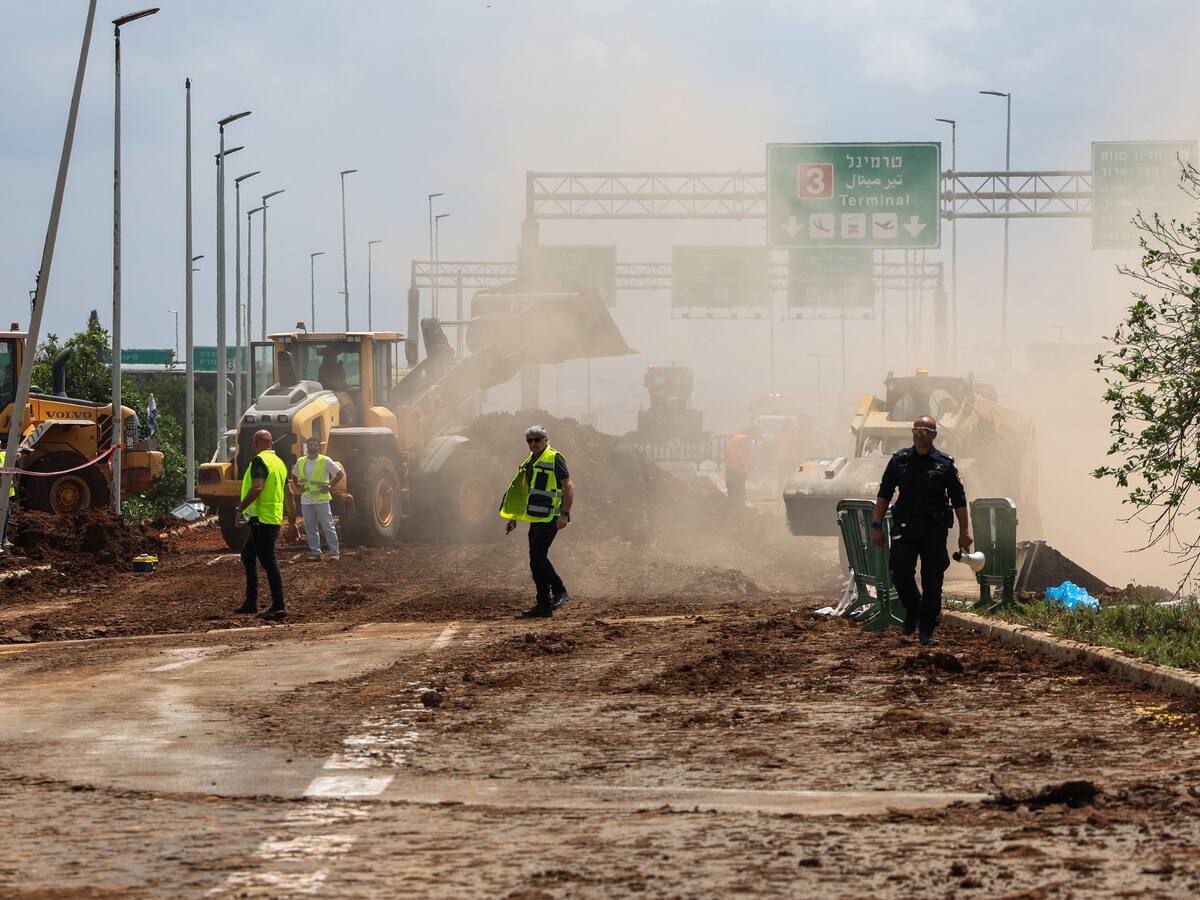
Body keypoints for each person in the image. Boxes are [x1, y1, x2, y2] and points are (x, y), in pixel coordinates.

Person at [873, 415, 972, 645]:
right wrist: (877, 525)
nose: (920, 434)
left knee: (932, 579)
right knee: (899, 572)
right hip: (905, 528)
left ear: (934, 435)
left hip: (933, 530)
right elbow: (884, 494)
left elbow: (959, 499)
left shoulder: (945, 463)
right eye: (916, 430)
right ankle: (913, 608)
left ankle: (927, 628)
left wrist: (965, 531)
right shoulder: (899, 460)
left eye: (925, 431)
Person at [499, 425, 574, 619]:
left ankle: (554, 595)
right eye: (529, 440)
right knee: (536, 558)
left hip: (551, 516)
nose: (533, 443)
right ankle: (547, 601)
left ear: (546, 439)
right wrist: (514, 517)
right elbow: (524, 493)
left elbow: (568, 486)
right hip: (537, 516)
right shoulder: (530, 461)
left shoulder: (554, 458)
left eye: (537, 439)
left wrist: (564, 513)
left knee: (537, 557)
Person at [235, 429, 290, 620]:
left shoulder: (259, 461)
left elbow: (257, 487)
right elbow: (289, 494)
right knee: (248, 555)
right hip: (272, 518)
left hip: (261, 520)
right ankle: (251, 602)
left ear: (255, 444)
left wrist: (240, 509)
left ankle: (278, 605)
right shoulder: (280, 464)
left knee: (269, 561)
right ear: (271, 443)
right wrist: (292, 522)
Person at [289, 436, 345, 561]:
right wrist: (298, 486)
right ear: (307, 446)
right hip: (306, 499)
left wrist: (329, 486)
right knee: (310, 527)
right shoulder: (301, 461)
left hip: (321, 499)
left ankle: (334, 552)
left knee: (327, 526)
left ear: (318, 447)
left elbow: (339, 474)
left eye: (315, 445)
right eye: (310, 444)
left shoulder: (325, 460)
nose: (312, 446)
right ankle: (316, 553)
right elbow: (294, 474)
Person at [724, 430, 754, 507]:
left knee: (731, 487)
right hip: (737, 468)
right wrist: (744, 470)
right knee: (740, 489)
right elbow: (742, 455)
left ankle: (731, 506)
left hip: (730, 466)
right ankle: (739, 507)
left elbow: (727, 451)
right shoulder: (746, 441)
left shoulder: (737, 438)